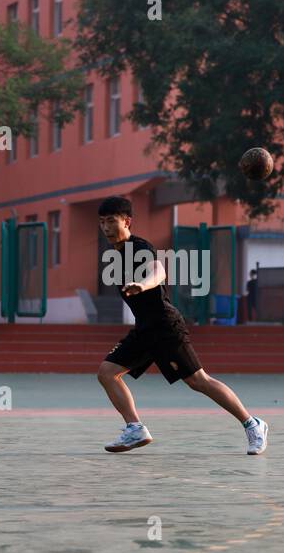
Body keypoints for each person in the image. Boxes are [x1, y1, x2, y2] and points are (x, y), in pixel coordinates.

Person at [95, 195, 267, 455]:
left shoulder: (139, 247)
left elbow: (158, 271)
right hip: (144, 329)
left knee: (199, 381)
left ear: (127, 221)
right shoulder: (115, 255)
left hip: (165, 326)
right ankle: (135, 428)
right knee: (107, 372)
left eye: (111, 221)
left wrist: (143, 284)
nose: (106, 228)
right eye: (102, 222)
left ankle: (252, 424)